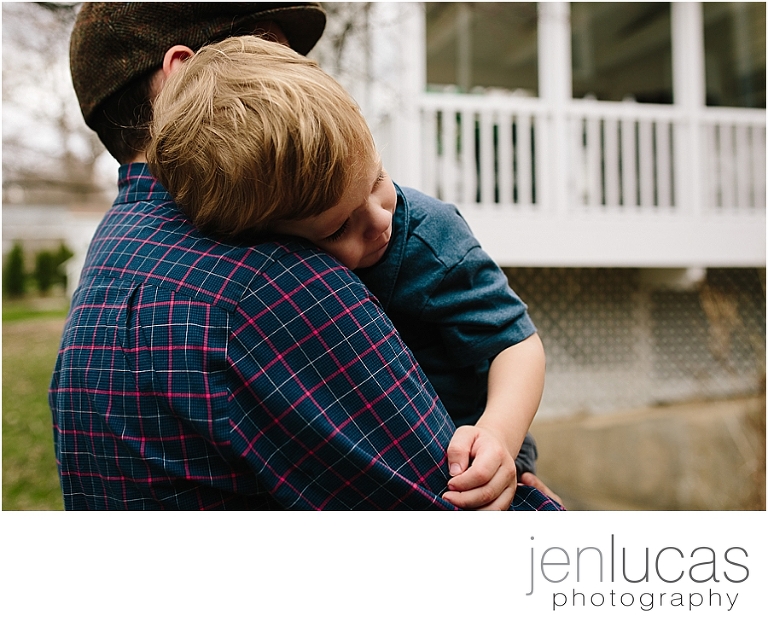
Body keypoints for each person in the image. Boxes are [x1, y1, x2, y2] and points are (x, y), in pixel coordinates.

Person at [51, 2, 562, 510]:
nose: (296, 73)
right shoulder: (264, 276)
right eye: (270, 49)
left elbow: (513, 342)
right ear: (183, 76)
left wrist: (506, 439)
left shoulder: (114, 260)